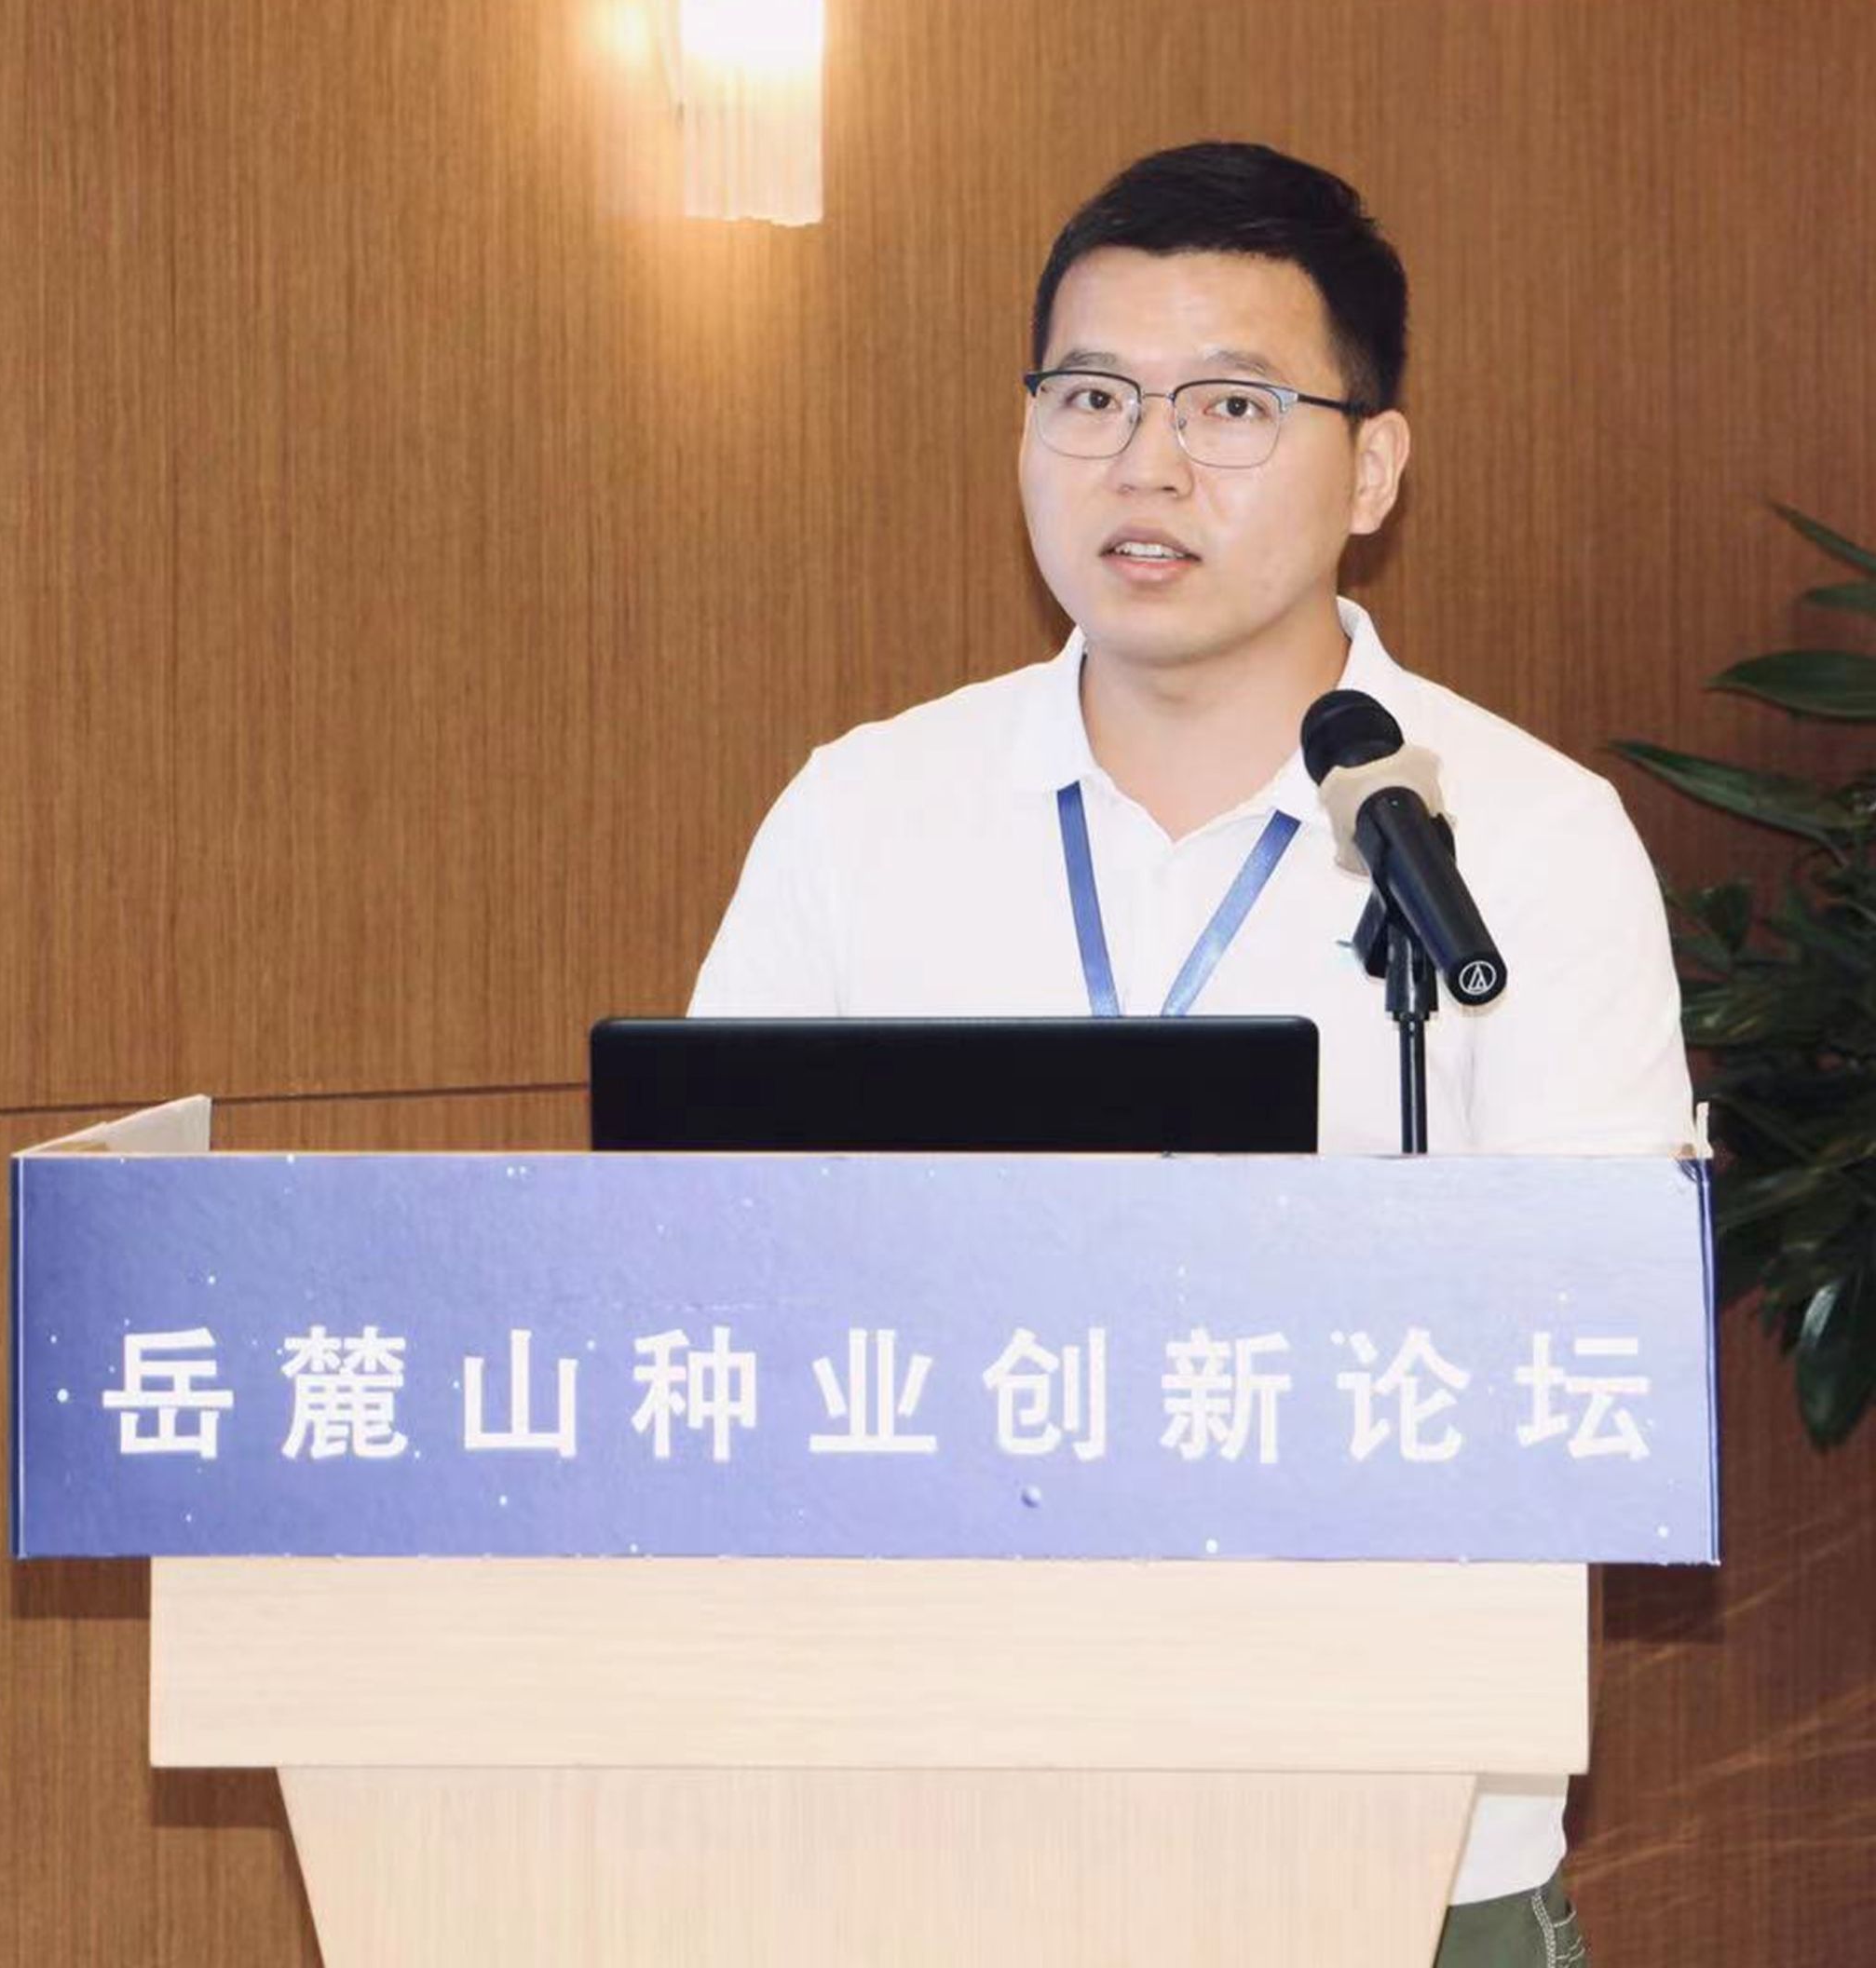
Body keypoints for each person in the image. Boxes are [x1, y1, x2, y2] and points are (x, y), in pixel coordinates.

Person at [691, 141, 1690, 1965]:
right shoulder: (865, 815)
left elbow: (1599, 1364)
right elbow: (692, 1286)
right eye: (1089, 397)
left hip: (1395, 1829)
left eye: (1230, 406)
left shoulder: (1523, 842)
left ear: (1370, 467)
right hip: (928, 1812)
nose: (1143, 465)